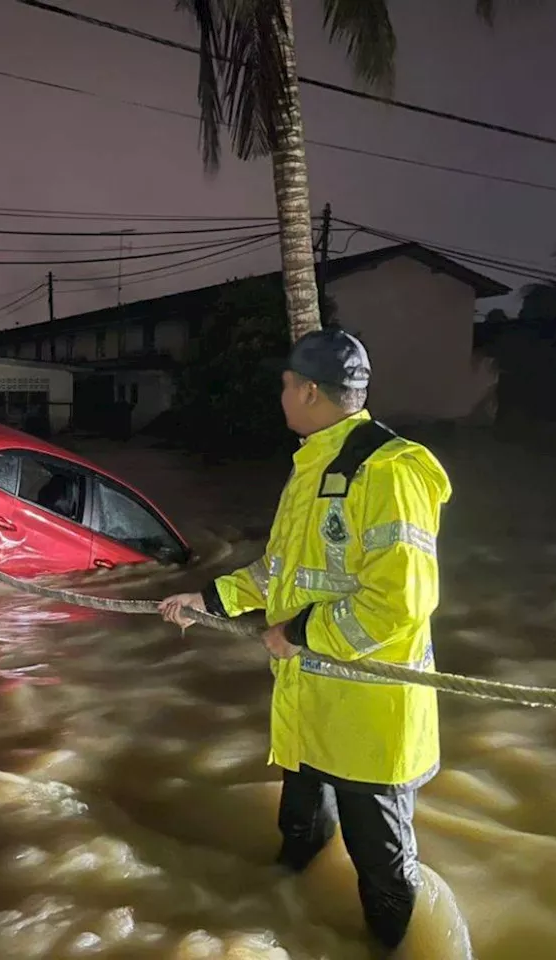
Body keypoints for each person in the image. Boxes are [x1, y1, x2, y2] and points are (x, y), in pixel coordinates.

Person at [158, 328, 453, 953]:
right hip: (309, 704)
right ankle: (285, 930)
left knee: (383, 876)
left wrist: (298, 633)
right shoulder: (313, 466)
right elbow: (281, 570)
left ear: (310, 390)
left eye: (286, 386)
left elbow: (401, 602)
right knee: (299, 836)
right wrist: (207, 599)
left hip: (371, 720)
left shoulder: (391, 470)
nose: (281, 396)